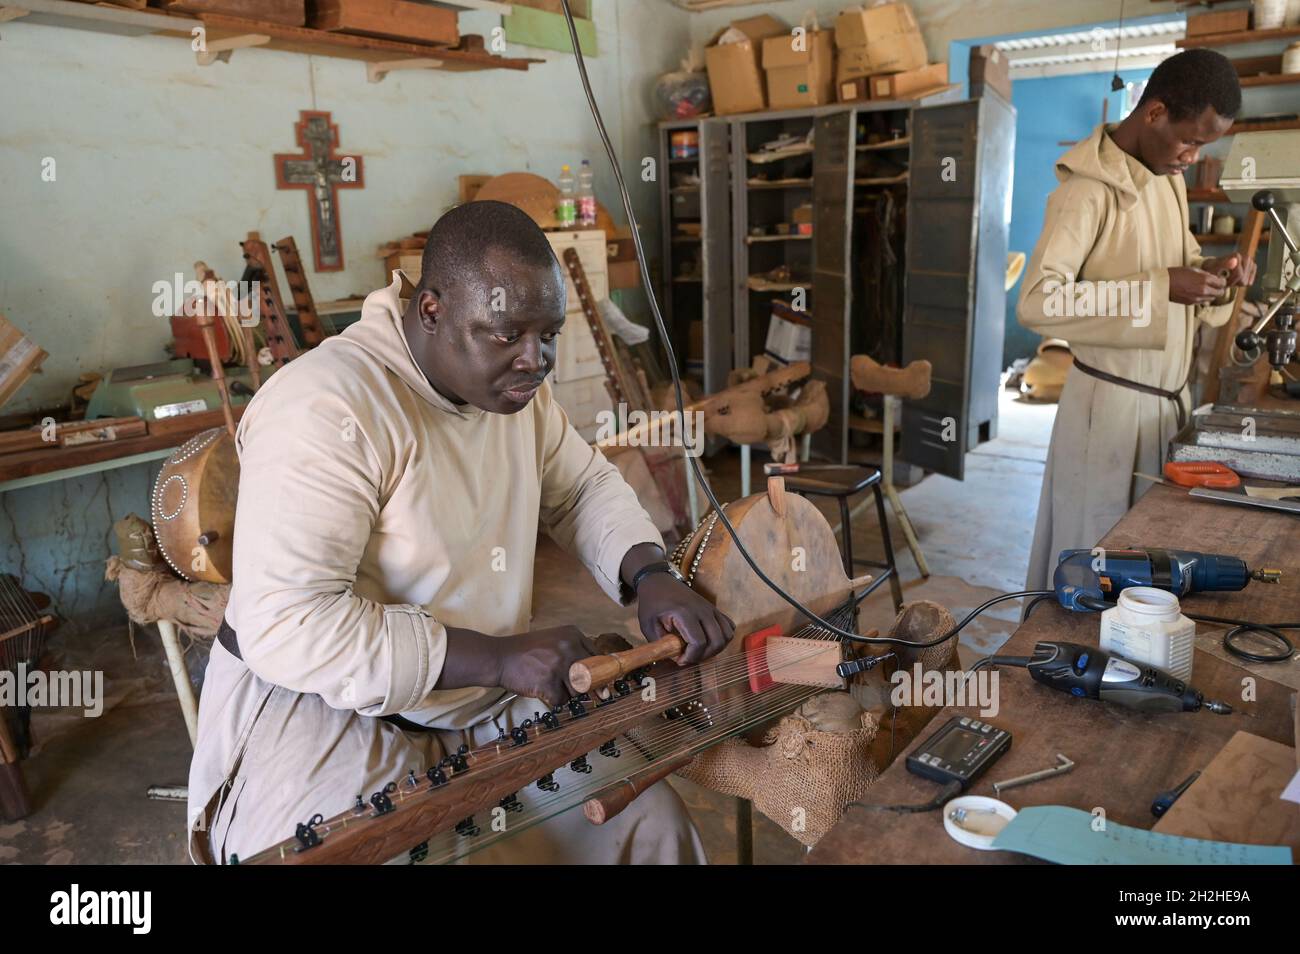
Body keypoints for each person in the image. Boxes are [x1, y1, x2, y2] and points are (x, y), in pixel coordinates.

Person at [187, 200, 734, 864]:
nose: (535, 361)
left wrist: (650, 575)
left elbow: (583, 487)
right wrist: (501, 658)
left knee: (650, 829)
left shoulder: (513, 394)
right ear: (431, 312)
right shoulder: (326, 406)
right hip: (326, 713)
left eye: (548, 335)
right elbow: (289, 625)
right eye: (506, 334)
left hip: (476, 697)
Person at [1017, 50, 1256, 589]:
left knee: (1149, 564)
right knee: (1097, 564)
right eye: (1190, 140)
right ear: (1153, 113)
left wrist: (1212, 273)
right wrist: (1162, 287)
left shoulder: (1164, 177)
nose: (1193, 157)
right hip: (1108, 414)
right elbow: (1037, 302)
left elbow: (1178, 263)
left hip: (1164, 408)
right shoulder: (1086, 191)